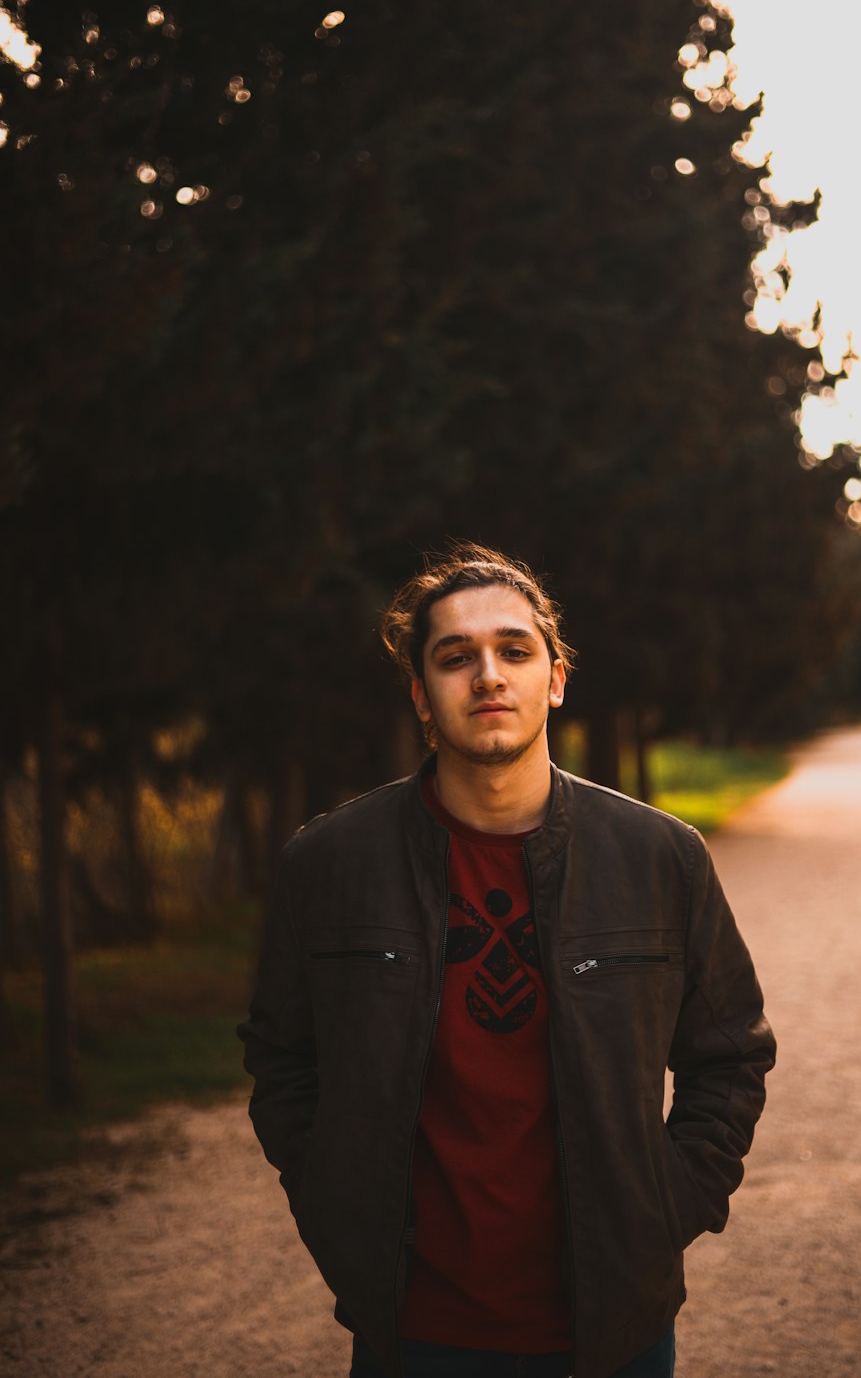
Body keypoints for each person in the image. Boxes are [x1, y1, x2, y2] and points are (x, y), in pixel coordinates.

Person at [238, 544, 776, 1378]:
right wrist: (333, 1202)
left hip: (611, 1325)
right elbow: (283, 1057)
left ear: (555, 678)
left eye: (514, 650)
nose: (487, 675)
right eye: (455, 658)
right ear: (421, 693)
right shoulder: (331, 865)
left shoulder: (660, 859)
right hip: (411, 1328)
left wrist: (666, 1206)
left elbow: (730, 1055)